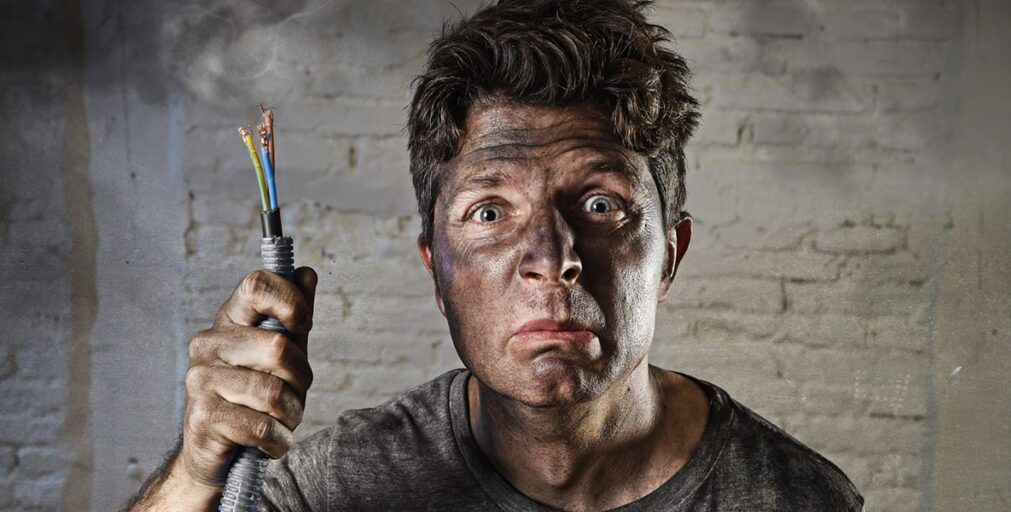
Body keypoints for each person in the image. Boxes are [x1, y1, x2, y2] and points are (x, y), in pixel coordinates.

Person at [129, 0, 864, 510]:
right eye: (490, 211)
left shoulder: (792, 498)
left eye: (602, 205)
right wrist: (196, 474)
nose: (552, 257)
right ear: (436, 273)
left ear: (669, 255)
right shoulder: (335, 490)